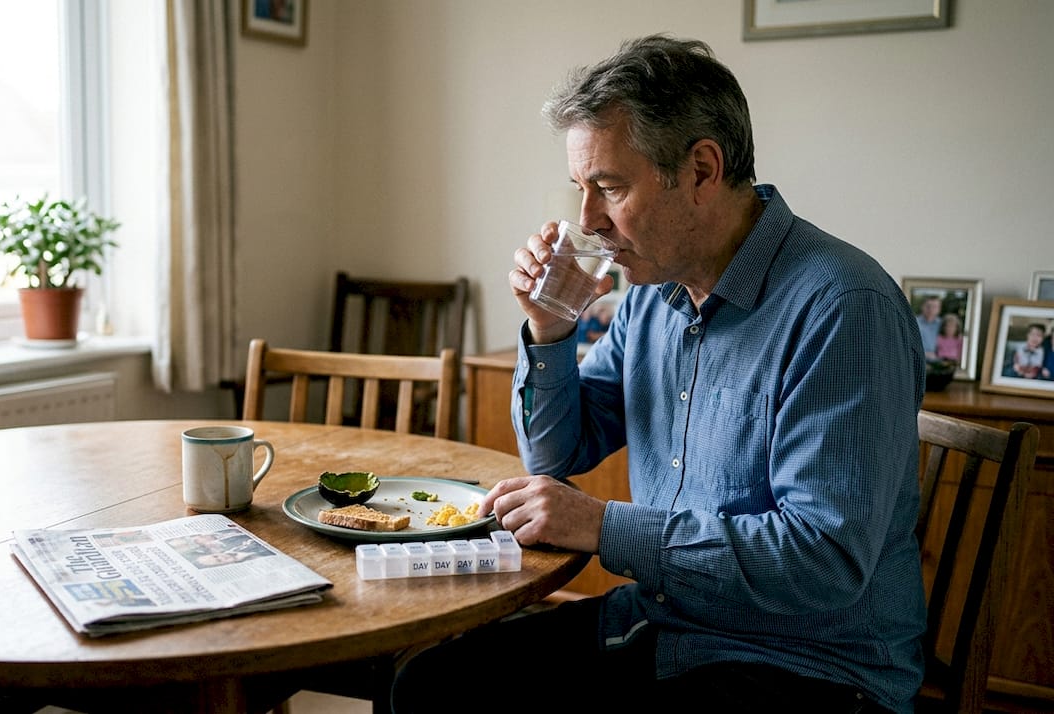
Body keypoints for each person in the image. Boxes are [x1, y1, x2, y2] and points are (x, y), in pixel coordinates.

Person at [391, 35, 925, 713]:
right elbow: (557, 455)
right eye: (581, 189)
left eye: (609, 187)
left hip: (810, 667)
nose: (586, 220)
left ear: (701, 169)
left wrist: (606, 526)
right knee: (429, 685)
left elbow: (823, 561)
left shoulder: (843, 308)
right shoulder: (651, 295)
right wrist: (550, 329)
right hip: (667, 624)